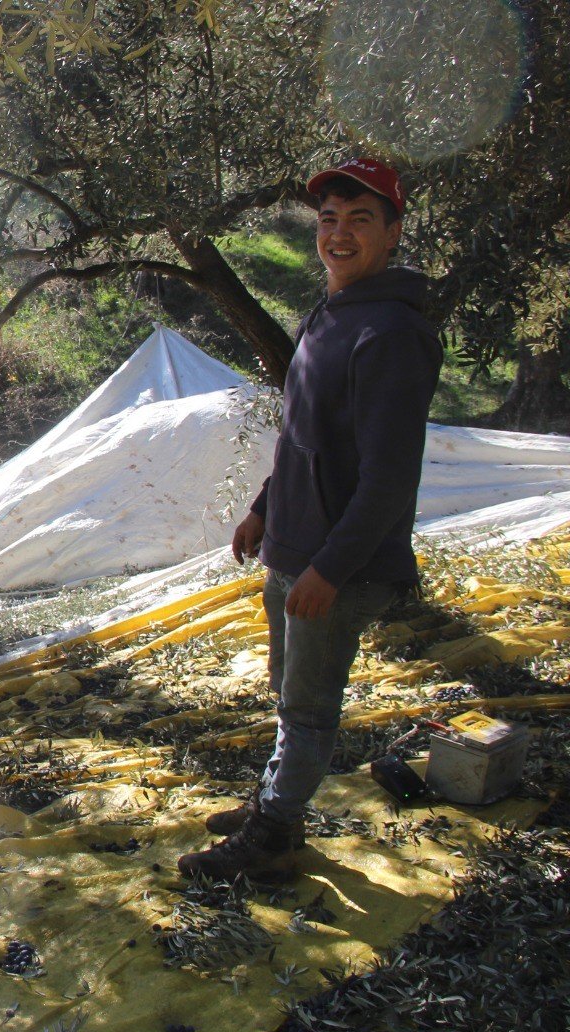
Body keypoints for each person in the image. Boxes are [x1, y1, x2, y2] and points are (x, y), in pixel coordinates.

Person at [179, 158, 443, 883]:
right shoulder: (329, 313)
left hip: (341, 562)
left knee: (309, 706)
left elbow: (389, 478)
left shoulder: (390, 332)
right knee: (286, 687)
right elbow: (308, 435)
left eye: (361, 220)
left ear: (391, 232)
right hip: (294, 546)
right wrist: (266, 507)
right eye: (329, 220)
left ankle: (274, 839)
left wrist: (330, 568)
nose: (339, 234)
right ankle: (276, 801)